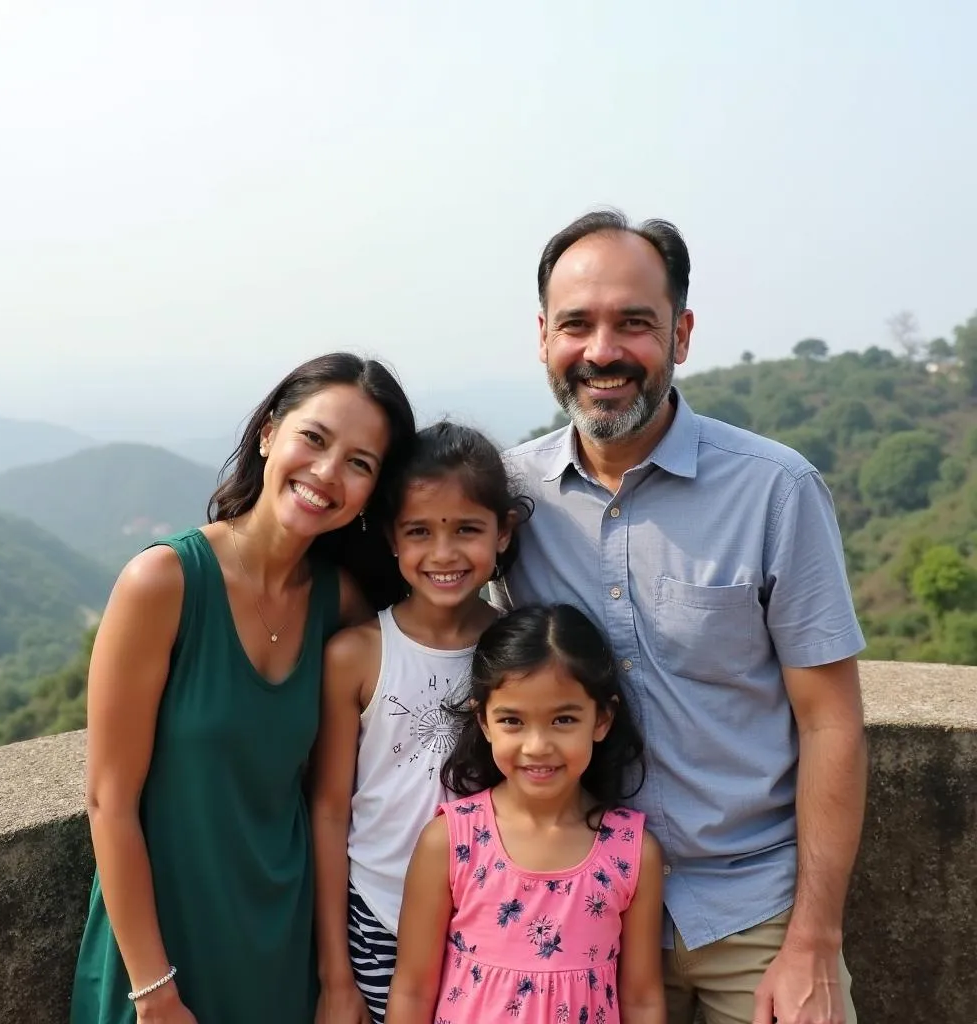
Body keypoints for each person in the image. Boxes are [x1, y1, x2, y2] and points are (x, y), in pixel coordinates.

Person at [489, 210, 867, 1024]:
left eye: (635, 323)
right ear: (543, 337)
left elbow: (830, 721)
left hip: (754, 916)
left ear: (682, 333)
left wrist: (812, 941)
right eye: (576, 325)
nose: (602, 352)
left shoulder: (774, 490)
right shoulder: (507, 497)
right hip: (582, 918)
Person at [70, 353, 416, 1024]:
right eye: (314, 439)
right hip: (163, 956)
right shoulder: (163, 583)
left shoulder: (340, 607)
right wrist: (153, 991)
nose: (325, 474)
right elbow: (107, 800)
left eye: (359, 463)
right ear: (268, 434)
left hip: (282, 946)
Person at [312, 421, 528, 1024]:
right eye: (419, 532)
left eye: (466, 529)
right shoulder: (355, 655)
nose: (443, 553)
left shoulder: (517, 653)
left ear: (503, 532)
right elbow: (330, 810)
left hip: (491, 921)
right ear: (391, 539)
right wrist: (335, 976)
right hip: (375, 918)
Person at [386, 604, 665, 1024]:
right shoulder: (450, 841)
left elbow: (642, 998)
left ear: (602, 719)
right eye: (512, 720)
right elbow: (412, 990)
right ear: (483, 721)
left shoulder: (631, 851)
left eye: (563, 719)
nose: (537, 745)